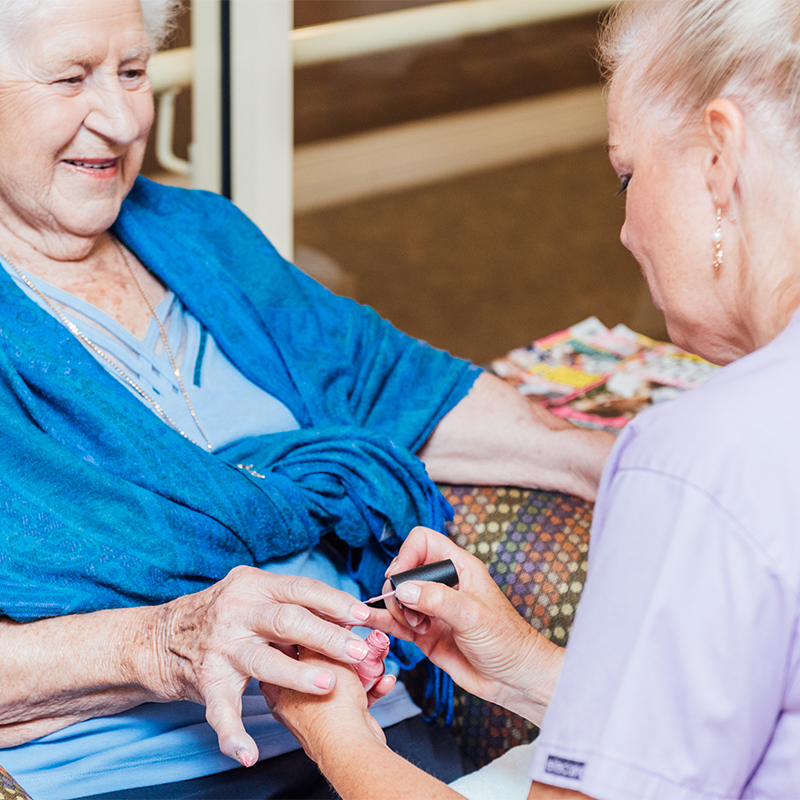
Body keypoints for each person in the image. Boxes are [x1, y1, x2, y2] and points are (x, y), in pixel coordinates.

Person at [0, 0, 614, 797]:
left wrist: (627, 466)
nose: (119, 119)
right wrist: (160, 641)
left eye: (133, 72)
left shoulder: (200, 235)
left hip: (376, 736)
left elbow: (398, 387)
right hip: (132, 773)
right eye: (71, 78)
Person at [262, 0, 800, 798]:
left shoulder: (697, 458)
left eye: (627, 174)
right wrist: (521, 667)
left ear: (720, 158)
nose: (625, 230)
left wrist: (339, 739)